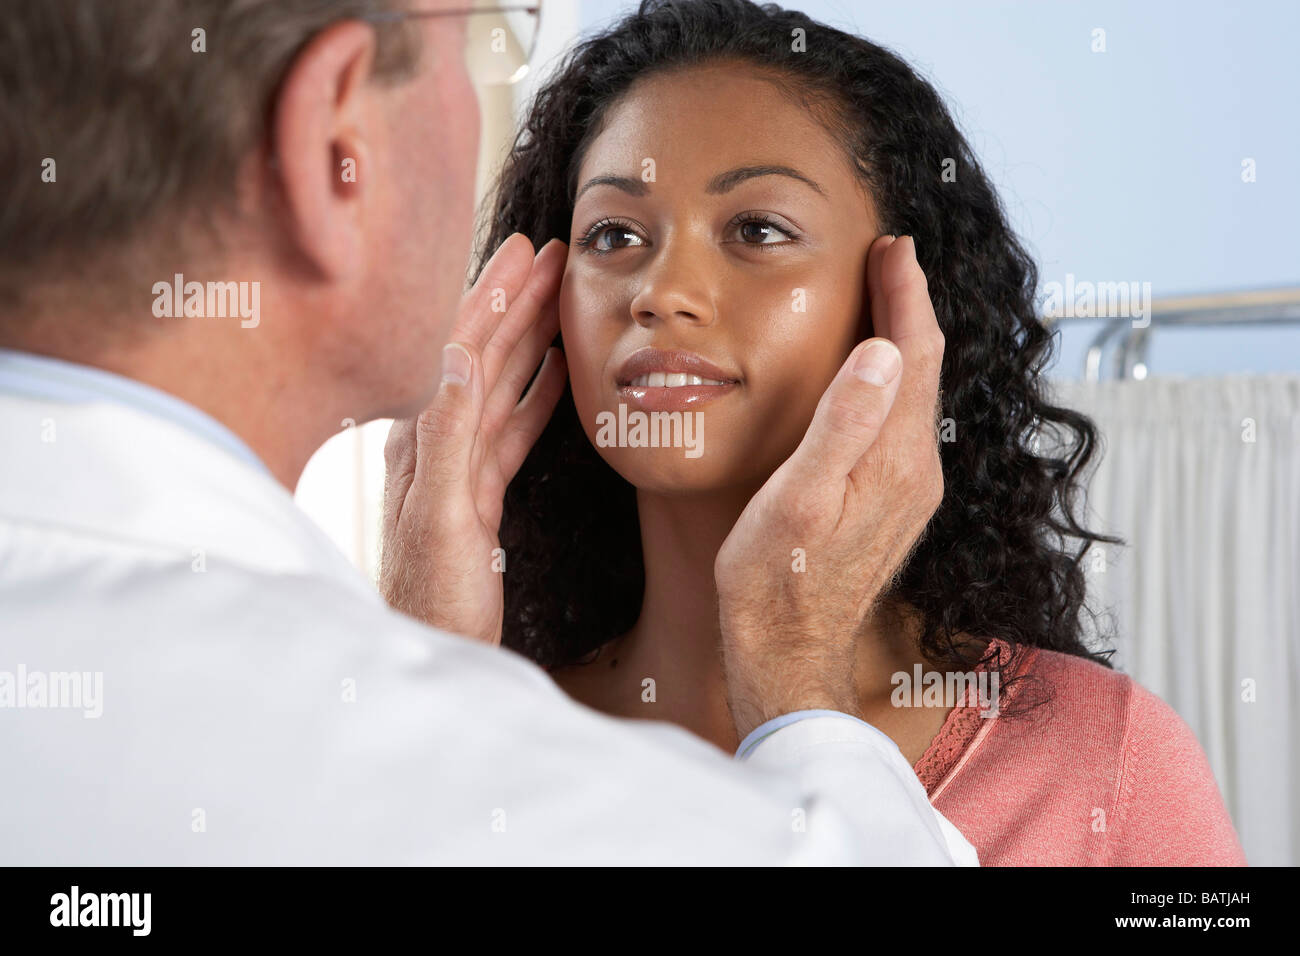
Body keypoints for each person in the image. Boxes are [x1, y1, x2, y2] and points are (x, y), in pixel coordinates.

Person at [0, 0, 975, 864]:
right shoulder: (528, 793)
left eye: (757, 228)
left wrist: (419, 677)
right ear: (332, 140)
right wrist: (798, 672)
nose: (661, 294)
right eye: (477, 38)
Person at [418, 0, 1245, 865]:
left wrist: (793, 688)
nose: (662, 291)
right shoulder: (470, 738)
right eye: (615, 234)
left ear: (900, 306)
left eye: (758, 229)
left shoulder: (1106, 761)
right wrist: (420, 685)